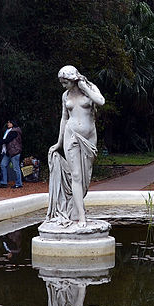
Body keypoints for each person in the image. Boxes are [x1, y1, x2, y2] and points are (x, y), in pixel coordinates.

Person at [46, 65, 106, 227]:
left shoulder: (90, 88)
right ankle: (81, 216)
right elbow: (64, 119)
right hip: (70, 136)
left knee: (86, 177)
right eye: (62, 82)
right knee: (77, 176)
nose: (63, 85)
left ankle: (74, 209)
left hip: (89, 139)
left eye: (65, 82)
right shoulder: (65, 96)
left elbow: (101, 101)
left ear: (73, 79)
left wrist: (84, 87)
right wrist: (59, 143)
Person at [0, 120, 23, 188]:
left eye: (10, 123)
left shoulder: (15, 131)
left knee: (16, 168)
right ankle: (4, 182)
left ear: (13, 123)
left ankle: (19, 183)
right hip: (8, 152)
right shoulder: (8, 130)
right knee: (3, 165)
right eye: (8, 122)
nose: (8, 124)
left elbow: (7, 140)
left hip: (14, 152)